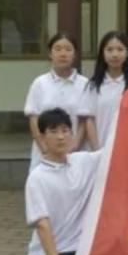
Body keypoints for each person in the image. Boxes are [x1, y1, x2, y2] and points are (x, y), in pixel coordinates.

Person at [25, 108, 104, 255]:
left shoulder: (84, 162)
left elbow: (117, 148)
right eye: (53, 131)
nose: (61, 137)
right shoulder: (37, 178)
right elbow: (43, 226)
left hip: (79, 251)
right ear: (42, 137)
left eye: (65, 130)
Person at [23, 33, 90, 171]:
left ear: (75, 54)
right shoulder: (39, 83)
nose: (63, 54)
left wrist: (74, 146)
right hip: (45, 154)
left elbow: (84, 119)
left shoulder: (85, 84)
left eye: (68, 49)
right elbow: (33, 118)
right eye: (58, 49)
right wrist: (45, 148)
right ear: (50, 53)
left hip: (74, 154)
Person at [78, 31, 128, 150]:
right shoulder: (93, 85)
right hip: (99, 148)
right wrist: (97, 150)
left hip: (126, 149)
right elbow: (89, 119)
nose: (115, 54)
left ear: (127, 53)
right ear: (102, 53)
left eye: (120, 49)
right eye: (109, 50)